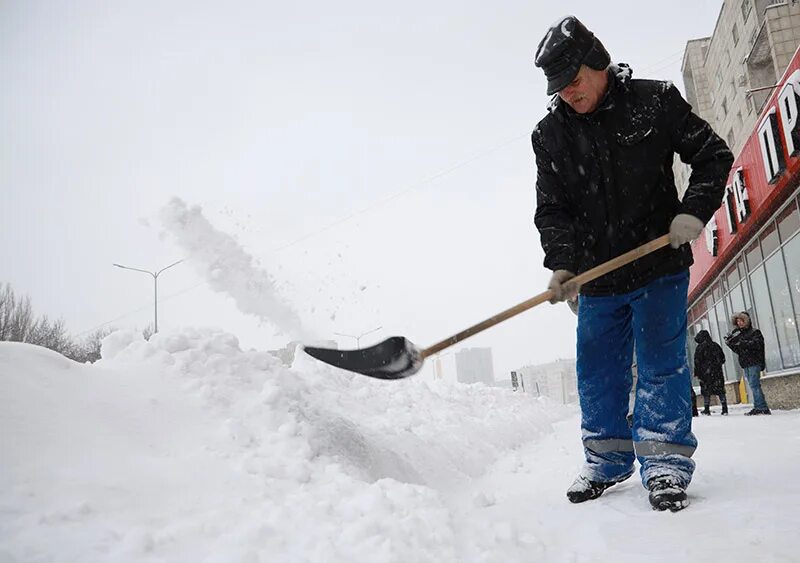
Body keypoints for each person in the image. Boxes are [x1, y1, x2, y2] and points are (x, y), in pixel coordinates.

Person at [531, 16, 733, 512]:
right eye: (559, 88)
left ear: (597, 63)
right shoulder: (551, 134)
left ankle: (664, 464)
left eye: (575, 81)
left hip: (658, 264)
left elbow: (713, 155)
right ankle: (607, 462)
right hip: (596, 277)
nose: (569, 94)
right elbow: (552, 207)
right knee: (598, 372)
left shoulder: (655, 100)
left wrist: (692, 211)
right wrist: (561, 264)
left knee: (662, 366)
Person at [724, 312, 770, 415]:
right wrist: (730, 343)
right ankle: (760, 406)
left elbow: (757, 345)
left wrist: (742, 343)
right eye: (738, 321)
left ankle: (761, 407)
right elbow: (738, 350)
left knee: (754, 385)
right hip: (746, 363)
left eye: (741, 321)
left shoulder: (755, 332)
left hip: (754, 361)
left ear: (747, 321)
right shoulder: (740, 335)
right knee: (753, 385)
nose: (739, 323)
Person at [693, 330, 728, 415]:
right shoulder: (715, 345)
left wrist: (697, 372)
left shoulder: (700, 348)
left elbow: (697, 361)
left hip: (705, 374)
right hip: (717, 373)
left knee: (706, 391)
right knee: (720, 390)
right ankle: (724, 408)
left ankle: (707, 409)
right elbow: (722, 358)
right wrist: (716, 366)